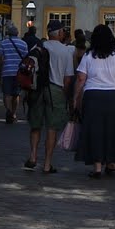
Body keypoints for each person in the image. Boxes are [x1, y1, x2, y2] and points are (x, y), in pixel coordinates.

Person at [73, 24, 115, 178]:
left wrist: (75, 98)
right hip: (113, 96)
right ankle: (112, 161)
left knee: (94, 130)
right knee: (113, 129)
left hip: (93, 96)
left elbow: (81, 79)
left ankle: (97, 167)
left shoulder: (88, 56)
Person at [25, 19, 75, 173]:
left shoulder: (40, 46)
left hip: (37, 89)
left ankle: (33, 156)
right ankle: (47, 164)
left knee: (35, 125)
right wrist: (66, 95)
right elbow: (68, 78)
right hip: (56, 89)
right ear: (60, 33)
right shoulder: (66, 51)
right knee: (51, 128)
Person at [0, 24, 28, 123]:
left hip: (7, 71)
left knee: (7, 93)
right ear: (17, 33)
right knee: (16, 94)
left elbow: (0, 58)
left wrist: (0, 69)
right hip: (19, 72)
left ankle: (8, 111)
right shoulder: (23, 44)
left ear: (8, 34)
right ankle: (14, 113)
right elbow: (26, 59)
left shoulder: (3, 43)